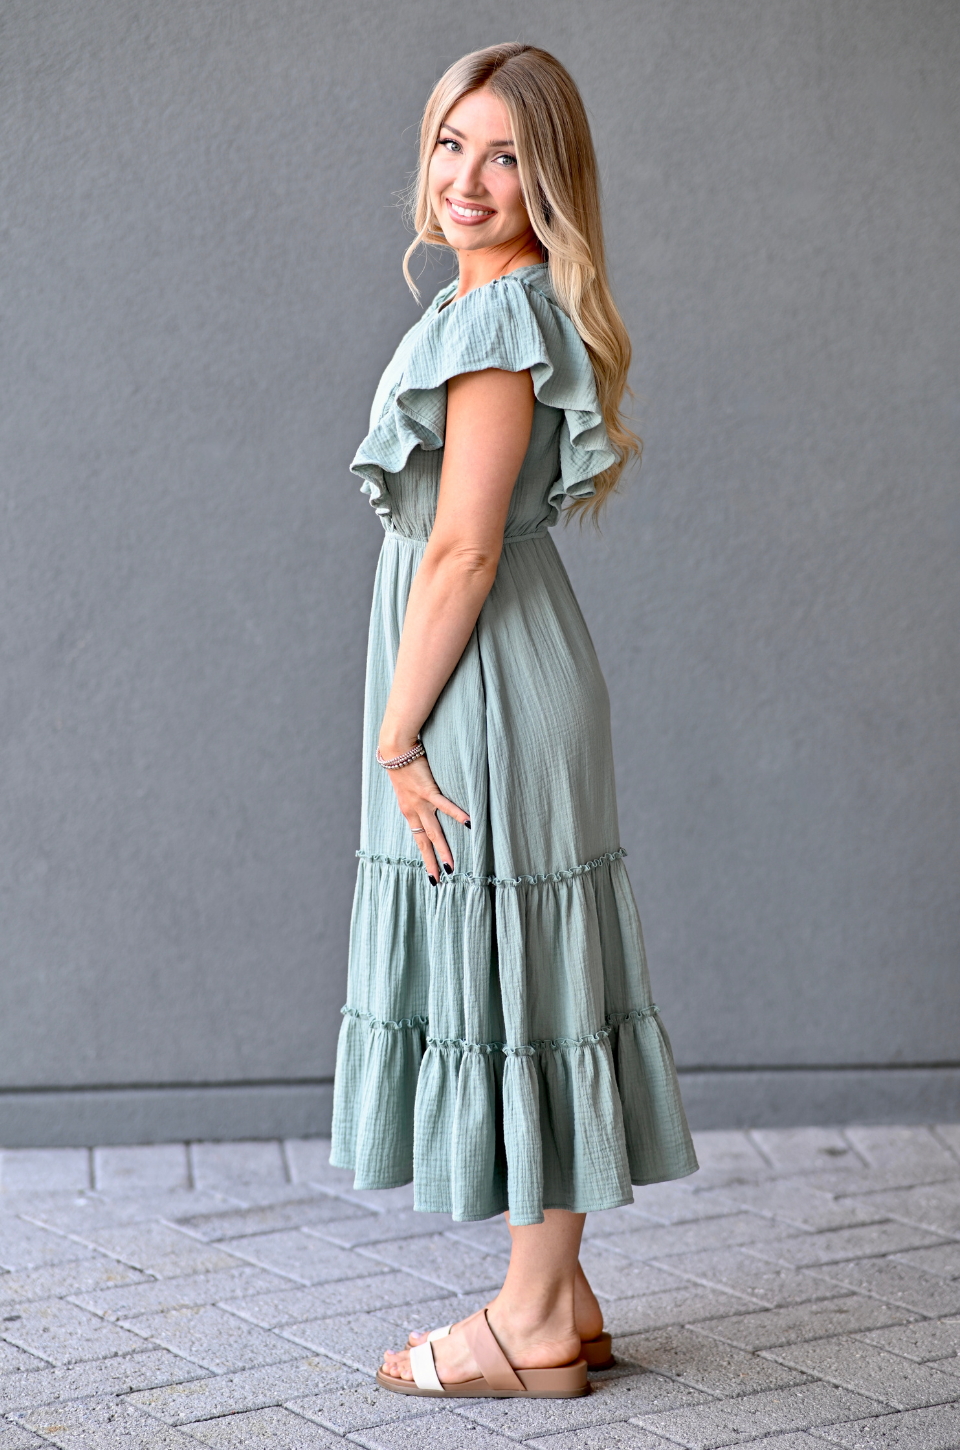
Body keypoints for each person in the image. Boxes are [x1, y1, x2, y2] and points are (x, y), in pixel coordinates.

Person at [330, 42, 698, 1400]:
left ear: (550, 180)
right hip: (492, 673)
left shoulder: (495, 322)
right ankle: (566, 1293)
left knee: (523, 972)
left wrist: (397, 736)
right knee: (531, 970)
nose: (469, 180)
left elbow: (465, 551)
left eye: (506, 155)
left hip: (480, 687)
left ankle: (529, 1318)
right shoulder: (494, 303)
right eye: (452, 144)